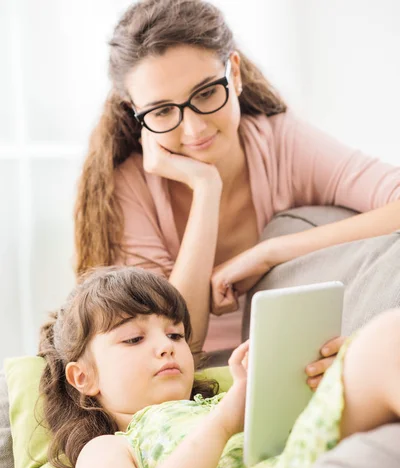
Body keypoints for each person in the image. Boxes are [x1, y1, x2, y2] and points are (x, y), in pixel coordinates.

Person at [39, 265, 400, 468]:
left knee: (377, 343)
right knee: (386, 338)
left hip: (322, 467)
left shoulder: (225, 401)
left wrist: (325, 381)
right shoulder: (110, 448)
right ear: (83, 378)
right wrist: (224, 422)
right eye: (133, 339)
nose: (166, 346)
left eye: (175, 334)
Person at [74, 0, 400, 358]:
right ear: (135, 112)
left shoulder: (278, 143)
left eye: (206, 92)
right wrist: (206, 189)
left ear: (235, 73)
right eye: (163, 111)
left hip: (294, 357)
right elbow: (182, 343)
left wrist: (270, 253)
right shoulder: (131, 187)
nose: (195, 128)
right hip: (192, 379)